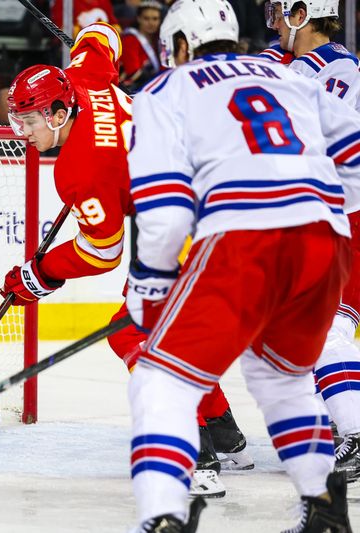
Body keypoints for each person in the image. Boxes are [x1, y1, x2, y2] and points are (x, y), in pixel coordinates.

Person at [124, 0, 358, 529]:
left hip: (244, 238)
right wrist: (328, 217)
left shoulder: (166, 89)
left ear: (181, 46)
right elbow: (357, 152)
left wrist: (148, 288)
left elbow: (163, 215)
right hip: (324, 241)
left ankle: (162, 518)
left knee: (160, 379)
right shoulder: (287, 75)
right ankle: (324, 511)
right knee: (284, 378)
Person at [1, 21, 251, 498]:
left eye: (28, 121)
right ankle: (225, 436)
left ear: (57, 115)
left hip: (204, 219)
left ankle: (192, 455)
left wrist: (41, 273)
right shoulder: (83, 74)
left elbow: (102, 252)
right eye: (17, 120)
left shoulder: (80, 169)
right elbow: (103, 35)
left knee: (139, 333)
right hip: (209, 198)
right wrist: (85, 40)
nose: (21, 132)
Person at [265, 0, 360, 483]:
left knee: (327, 330)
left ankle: (356, 433)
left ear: (305, 13)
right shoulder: (313, 64)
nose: (275, 22)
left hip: (346, 219)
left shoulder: (330, 67)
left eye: (280, 12)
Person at [118, 0, 163, 94]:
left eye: (155, 19)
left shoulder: (158, 39)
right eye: (146, 18)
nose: (151, 23)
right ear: (138, 18)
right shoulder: (130, 39)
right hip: (132, 91)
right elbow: (133, 72)